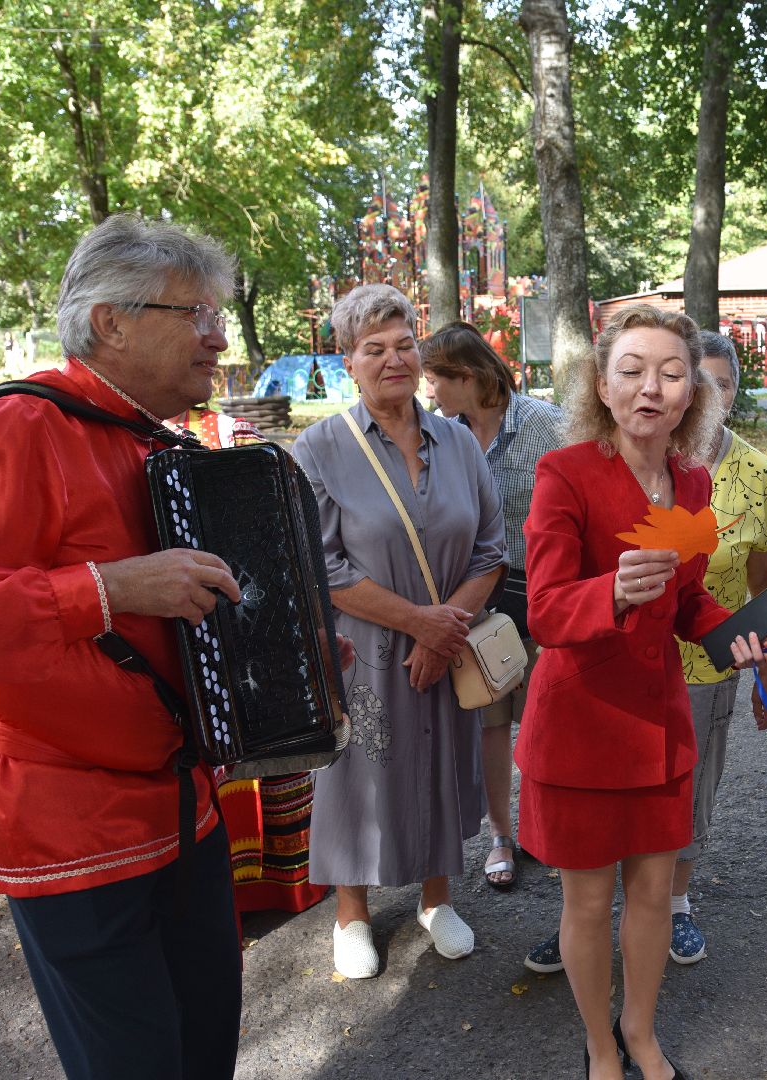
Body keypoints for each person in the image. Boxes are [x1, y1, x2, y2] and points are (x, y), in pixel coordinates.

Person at [0, 215, 251, 1078]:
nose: (219, 337)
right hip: (69, 825)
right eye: (197, 315)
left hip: (180, 801)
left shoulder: (148, 434)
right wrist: (107, 589)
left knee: (203, 1051)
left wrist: (265, 662)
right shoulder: (20, 426)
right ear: (113, 323)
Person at [514, 304, 767, 1080]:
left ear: (693, 392)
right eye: (631, 371)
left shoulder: (692, 482)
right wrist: (612, 591)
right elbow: (545, 611)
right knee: (587, 903)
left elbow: (690, 601)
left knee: (656, 895)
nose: (650, 388)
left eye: (670, 373)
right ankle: (600, 1047)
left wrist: (738, 636)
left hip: (659, 720)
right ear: (602, 386)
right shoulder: (564, 474)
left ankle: (639, 1032)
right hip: (581, 722)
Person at [293, 285, 506, 977]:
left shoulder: (459, 442)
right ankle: (351, 915)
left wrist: (444, 633)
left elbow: (490, 550)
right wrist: (421, 625)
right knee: (359, 775)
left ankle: (437, 901)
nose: (394, 359)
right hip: (365, 649)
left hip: (450, 643)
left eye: (404, 344)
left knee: (444, 760)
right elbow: (320, 566)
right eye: (374, 348)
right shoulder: (320, 447)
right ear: (347, 362)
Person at [163, 401, 330, 918]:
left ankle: (277, 885)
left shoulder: (234, 435)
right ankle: (217, 898)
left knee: (262, 736)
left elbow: (280, 538)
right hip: (170, 637)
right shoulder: (120, 441)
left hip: (250, 624)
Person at [420, 320, 563, 891]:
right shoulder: (438, 437)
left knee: (547, 723)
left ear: (467, 375)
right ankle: (501, 835)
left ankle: (545, 829)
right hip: (476, 603)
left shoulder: (546, 425)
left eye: (435, 379)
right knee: (490, 723)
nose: (428, 391)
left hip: (543, 598)